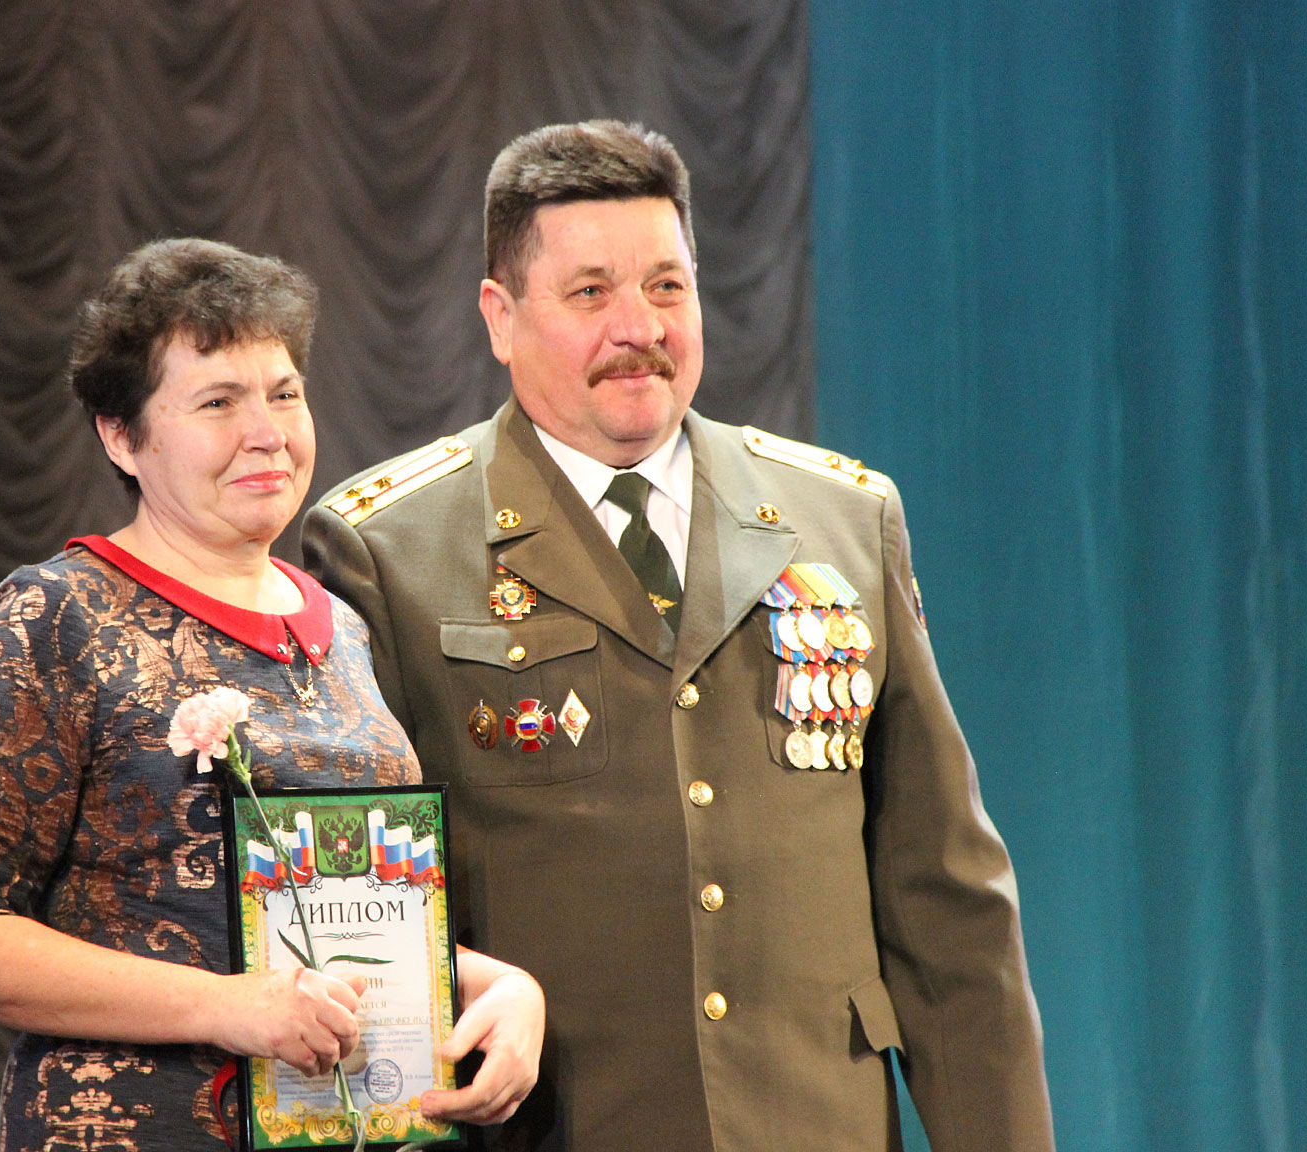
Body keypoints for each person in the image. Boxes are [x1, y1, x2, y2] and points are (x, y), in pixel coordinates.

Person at [303, 121, 1057, 1150]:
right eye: (590, 293)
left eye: (667, 286)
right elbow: (353, 913)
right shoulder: (386, 548)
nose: (639, 327)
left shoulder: (844, 516)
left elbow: (947, 906)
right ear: (500, 317)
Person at [0, 238, 543, 1151]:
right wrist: (226, 1008)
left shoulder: (343, 627)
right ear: (121, 436)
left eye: (284, 394)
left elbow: (342, 918)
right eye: (217, 402)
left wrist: (497, 987)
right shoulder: (58, 616)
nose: (266, 432)